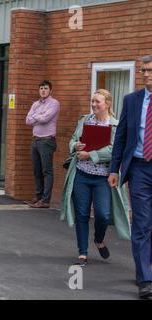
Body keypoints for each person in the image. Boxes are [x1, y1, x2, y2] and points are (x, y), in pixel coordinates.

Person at [61, 89, 130, 267]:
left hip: (103, 178)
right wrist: (75, 145)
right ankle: (82, 253)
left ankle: (99, 239)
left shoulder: (114, 125)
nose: (94, 105)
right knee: (82, 214)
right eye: (92, 101)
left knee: (103, 214)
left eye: (97, 102)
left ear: (107, 104)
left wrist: (90, 154)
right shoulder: (85, 120)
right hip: (81, 175)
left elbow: (115, 150)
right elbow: (73, 139)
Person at [108, 55, 152, 300]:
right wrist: (115, 169)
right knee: (142, 224)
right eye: (143, 70)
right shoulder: (132, 100)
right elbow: (121, 138)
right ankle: (145, 278)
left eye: (149, 70)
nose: (145, 74)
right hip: (138, 169)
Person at [25, 80, 60, 208]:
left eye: (45, 88)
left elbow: (46, 119)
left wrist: (36, 116)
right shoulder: (35, 104)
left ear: (50, 90)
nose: (43, 90)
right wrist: (39, 115)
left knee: (47, 171)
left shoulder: (54, 103)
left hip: (47, 141)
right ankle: (38, 197)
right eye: (41, 88)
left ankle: (45, 200)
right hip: (35, 140)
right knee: (36, 170)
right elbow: (28, 120)